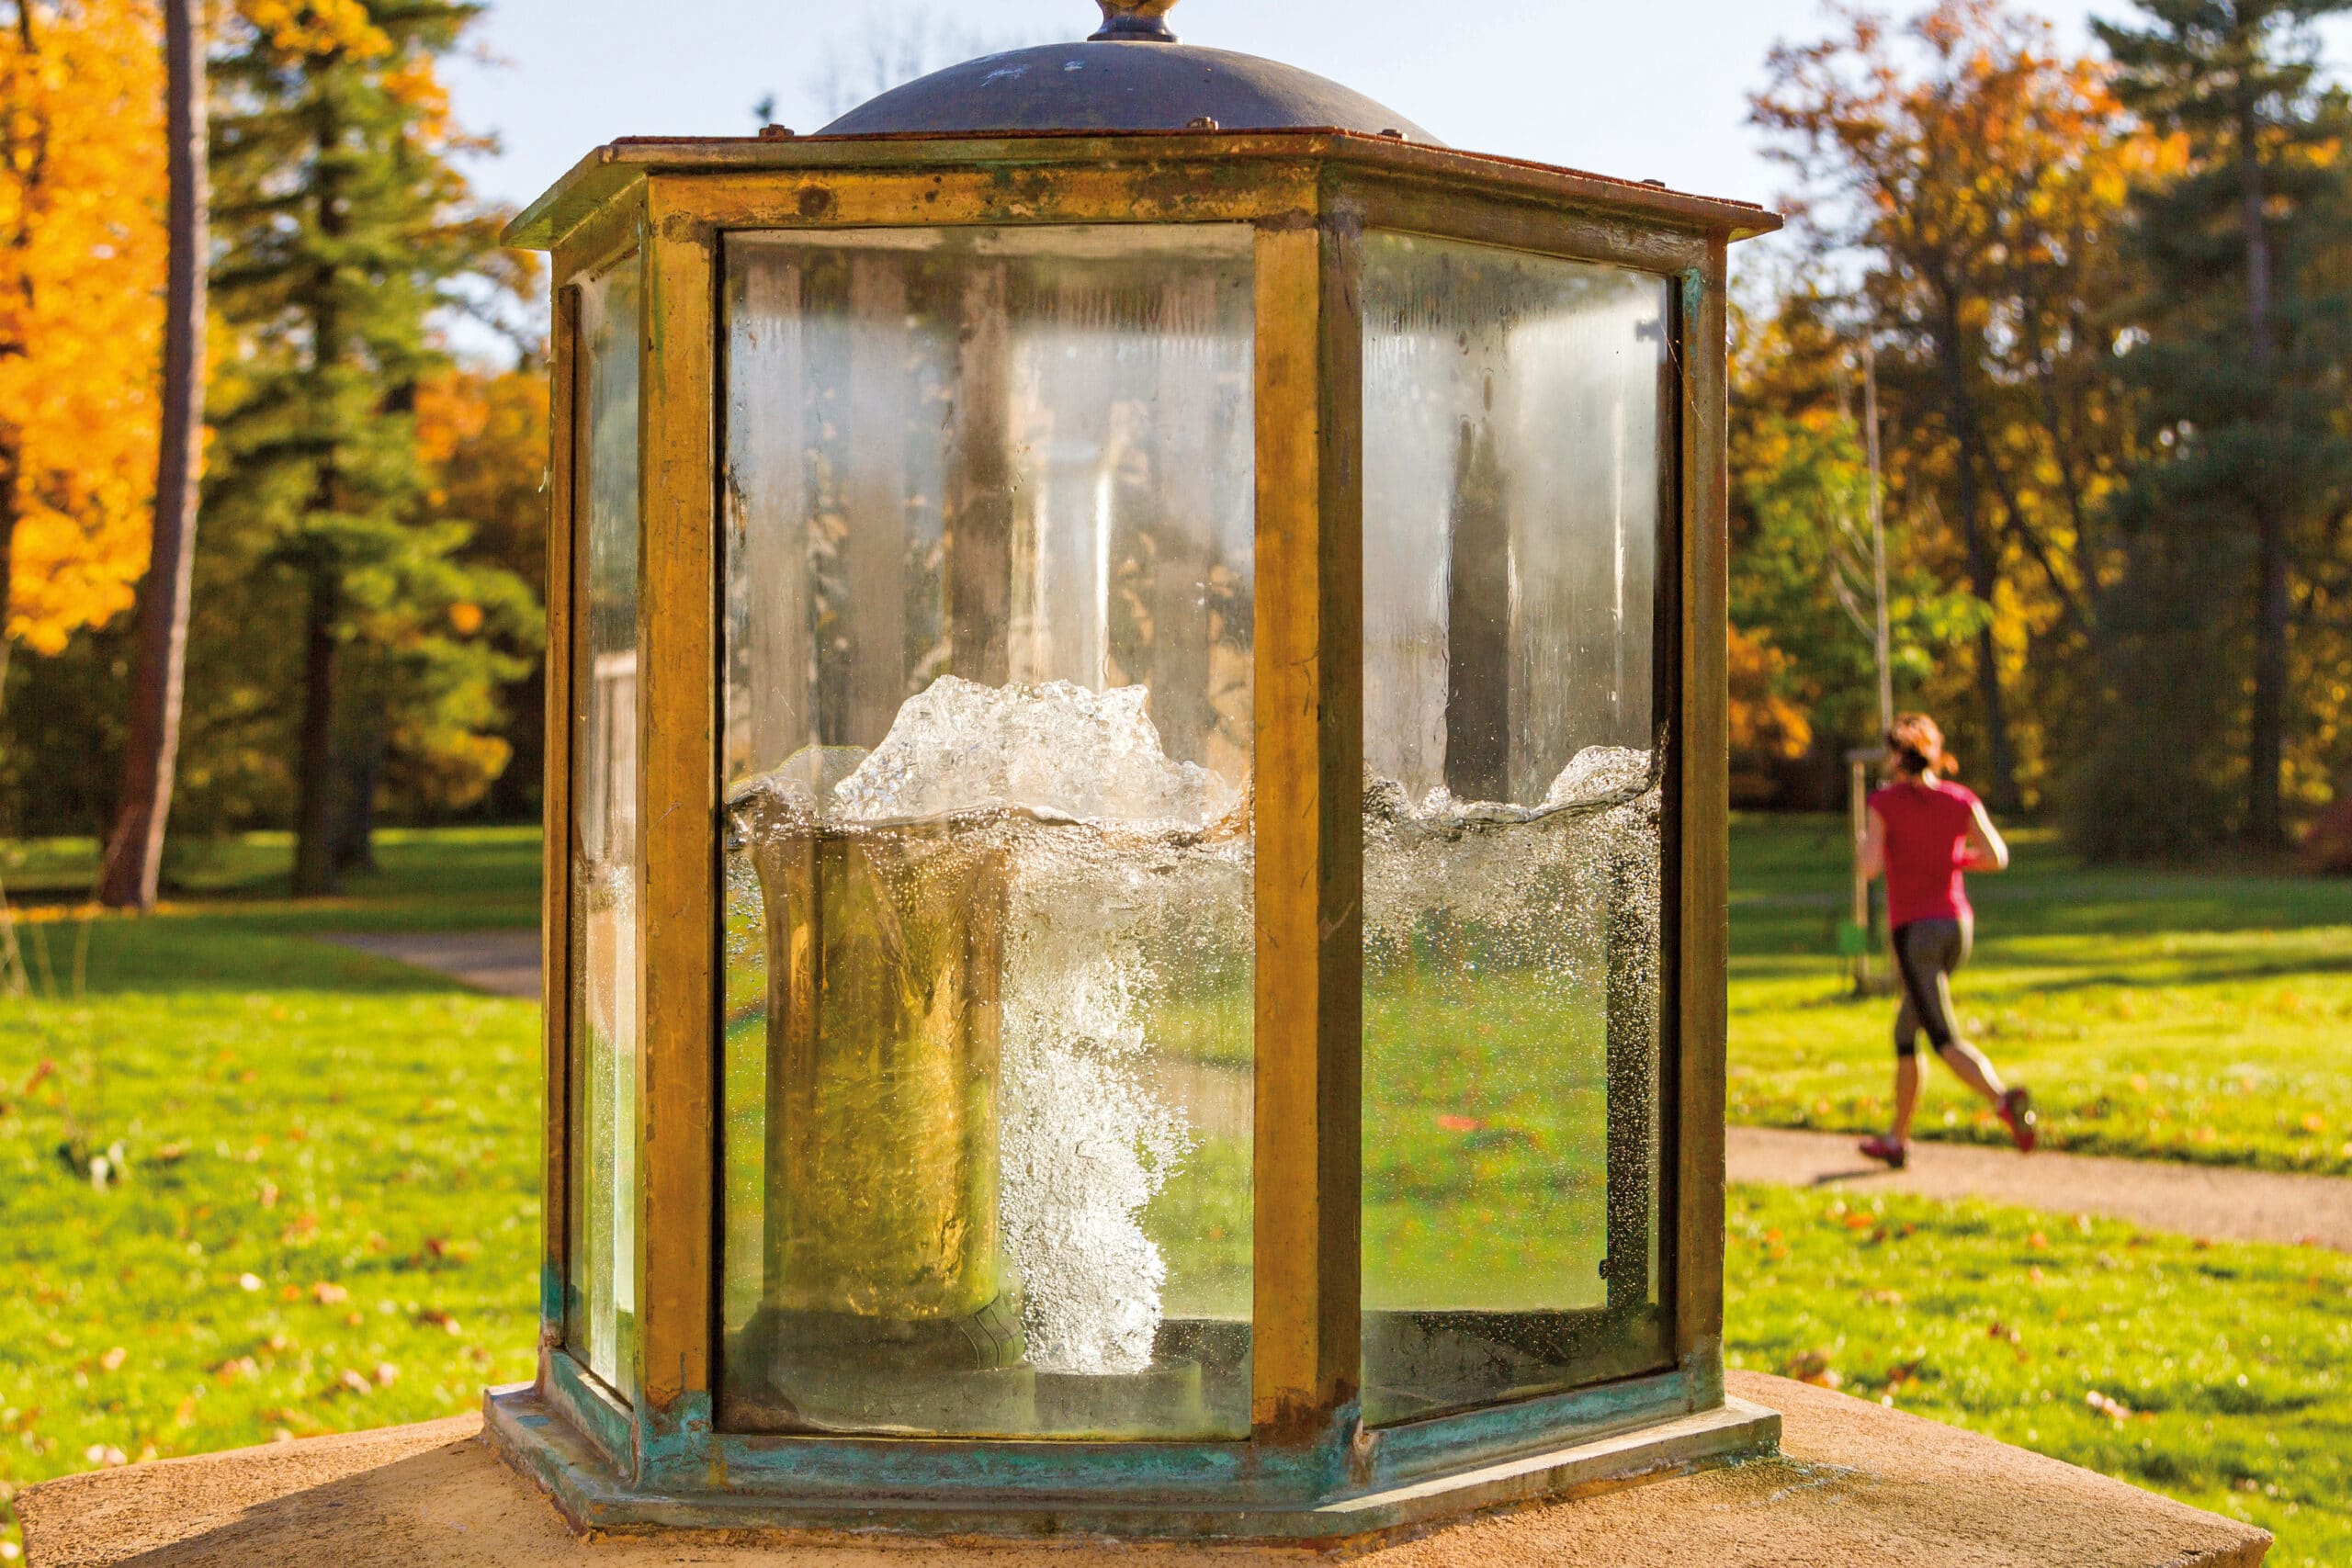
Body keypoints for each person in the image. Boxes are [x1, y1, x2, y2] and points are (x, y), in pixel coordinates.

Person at [1855, 714, 2035, 1168]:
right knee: (1905, 1033)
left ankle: (2004, 1100)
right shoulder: (1959, 798)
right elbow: (1996, 857)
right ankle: (1897, 1140)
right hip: (1956, 928)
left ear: (1896, 757)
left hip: (1915, 932)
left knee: (1942, 1039)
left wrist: (1865, 842)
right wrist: (1953, 859)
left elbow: (1868, 868)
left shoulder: (1884, 802)